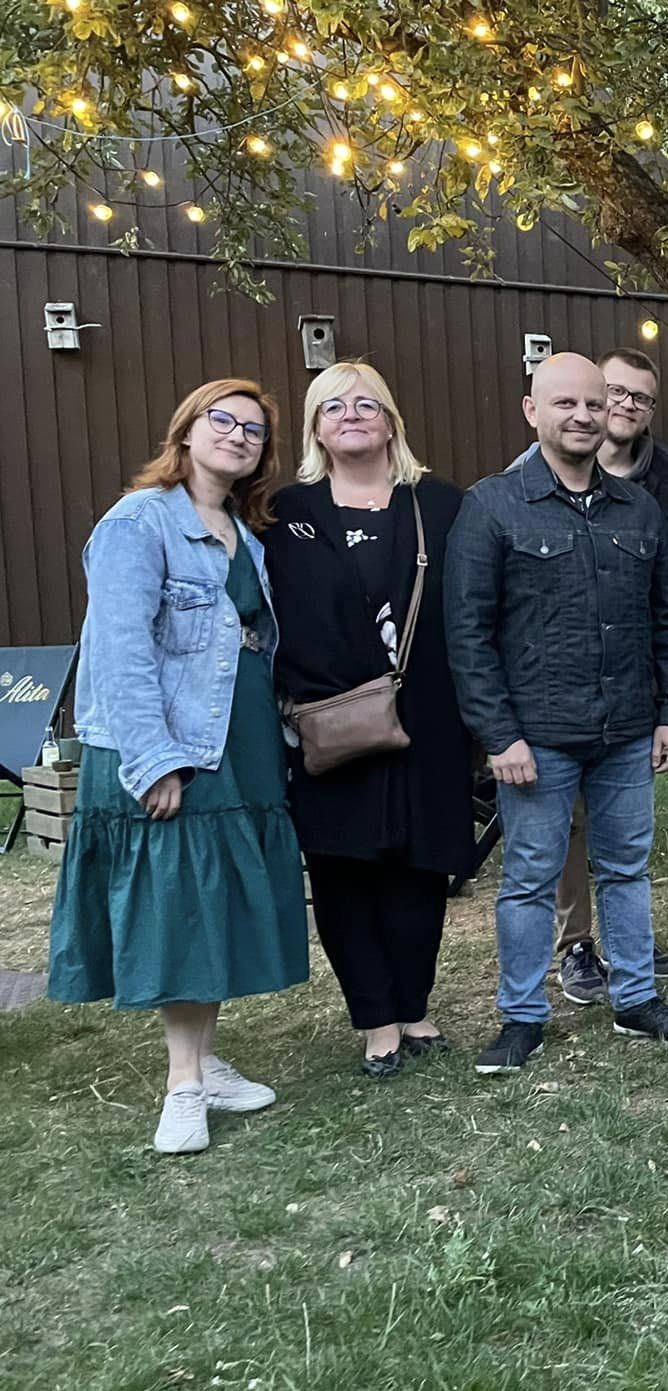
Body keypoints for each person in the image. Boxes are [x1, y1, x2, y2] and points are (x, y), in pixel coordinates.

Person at [48, 379, 308, 1154]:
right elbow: (118, 650)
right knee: (180, 905)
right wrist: (153, 758)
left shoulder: (245, 536)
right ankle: (183, 1084)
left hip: (241, 738)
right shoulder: (139, 522)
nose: (237, 435)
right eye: (221, 420)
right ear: (186, 432)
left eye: (253, 430)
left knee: (213, 900)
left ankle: (206, 1061)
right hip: (172, 742)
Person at [445, 353, 668, 1073]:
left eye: (595, 403)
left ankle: (635, 998)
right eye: (566, 403)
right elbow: (467, 634)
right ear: (532, 411)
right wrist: (498, 734)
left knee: (626, 868)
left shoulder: (639, 510)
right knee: (530, 878)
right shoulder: (493, 505)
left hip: (626, 728)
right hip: (537, 737)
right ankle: (522, 1016)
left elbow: (664, 618)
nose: (584, 416)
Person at [263, 362, 471, 1078]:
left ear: (390, 422)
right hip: (330, 722)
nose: (350, 415)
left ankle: (413, 1006)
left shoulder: (440, 505)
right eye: (333, 407)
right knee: (344, 871)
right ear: (316, 429)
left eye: (365, 404)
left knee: (422, 868)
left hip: (429, 718)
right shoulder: (283, 514)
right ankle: (376, 1019)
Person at [512, 348, 668, 1005]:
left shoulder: (664, 480)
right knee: (564, 831)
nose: (622, 406)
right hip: (552, 696)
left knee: (623, 841)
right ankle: (576, 943)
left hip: (627, 688)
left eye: (640, 398)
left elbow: (667, 596)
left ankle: (626, 945)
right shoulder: (522, 482)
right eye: (614, 392)